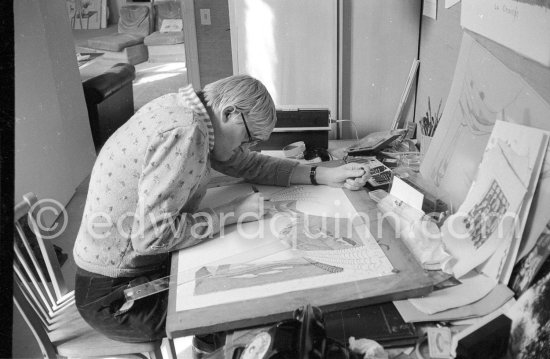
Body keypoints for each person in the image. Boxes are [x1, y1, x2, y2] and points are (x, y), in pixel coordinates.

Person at [72, 74, 369, 349]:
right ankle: (210, 348)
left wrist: (320, 174)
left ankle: (209, 344)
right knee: (252, 307)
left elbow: (249, 164)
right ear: (229, 113)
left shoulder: (190, 111)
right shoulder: (186, 131)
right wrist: (232, 213)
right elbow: (151, 238)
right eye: (247, 138)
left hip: (127, 270)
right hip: (115, 296)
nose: (247, 147)